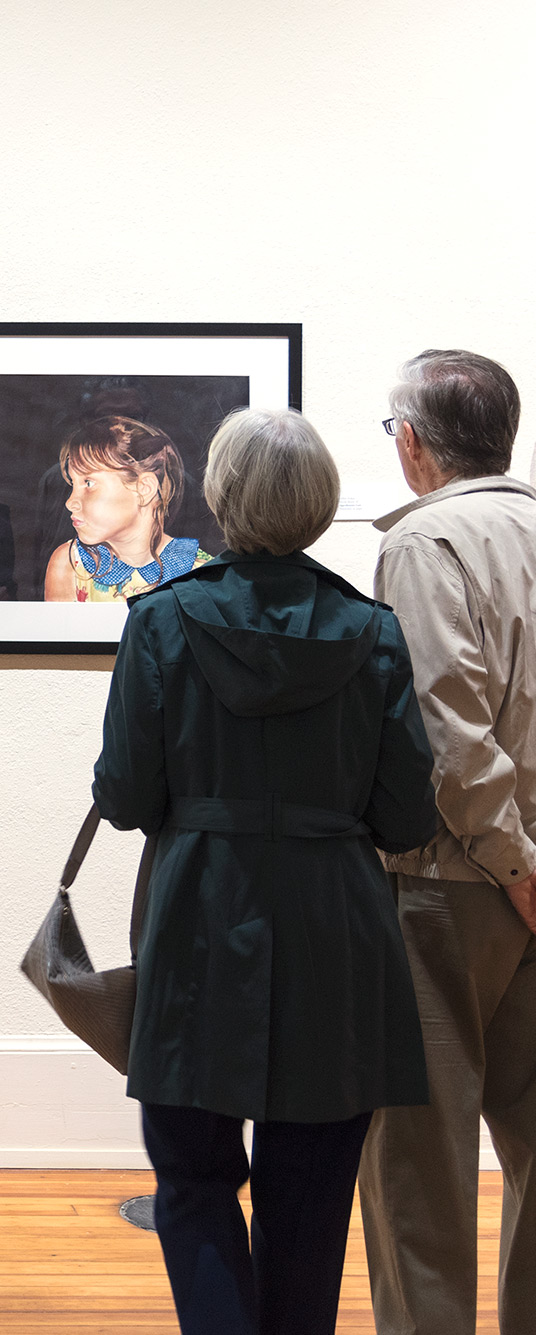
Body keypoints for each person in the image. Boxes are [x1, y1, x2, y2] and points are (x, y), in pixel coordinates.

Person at [92, 408, 439, 1334]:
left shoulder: (161, 623)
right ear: (319, 505)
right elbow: (408, 816)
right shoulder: (373, 633)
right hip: (338, 928)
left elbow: (125, 795)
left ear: (220, 497)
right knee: (313, 1195)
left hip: (202, 916)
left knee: (195, 1179)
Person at [359, 349, 536, 1335]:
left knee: (418, 1168)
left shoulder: (424, 544)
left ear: (413, 441)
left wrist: (513, 866)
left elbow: (445, 730)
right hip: (511, 872)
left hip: (454, 883)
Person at [44, 415, 212, 601]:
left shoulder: (202, 572)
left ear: (144, 489)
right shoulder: (70, 564)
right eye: (73, 484)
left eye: (89, 483)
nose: (70, 503)